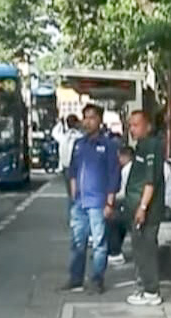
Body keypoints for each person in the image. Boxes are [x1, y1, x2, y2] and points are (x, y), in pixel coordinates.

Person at [63, 104, 119, 294]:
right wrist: (73, 197)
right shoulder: (79, 144)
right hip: (80, 202)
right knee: (77, 242)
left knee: (99, 243)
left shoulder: (109, 145)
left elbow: (113, 175)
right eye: (85, 117)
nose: (88, 121)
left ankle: (97, 280)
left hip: (98, 202)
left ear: (100, 120)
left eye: (92, 117)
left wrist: (109, 202)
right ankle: (75, 279)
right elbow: (72, 172)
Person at [126, 110, 166, 306]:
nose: (132, 129)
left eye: (136, 125)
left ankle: (151, 291)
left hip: (147, 211)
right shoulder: (142, 146)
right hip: (137, 208)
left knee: (145, 249)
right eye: (130, 125)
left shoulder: (152, 146)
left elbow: (150, 181)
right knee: (139, 248)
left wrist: (142, 207)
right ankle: (145, 286)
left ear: (147, 126)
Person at [107, 145, 133, 266]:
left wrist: (109, 199)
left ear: (124, 157)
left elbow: (125, 194)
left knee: (113, 218)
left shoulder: (128, 169)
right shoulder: (131, 168)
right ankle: (113, 249)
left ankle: (114, 252)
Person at [52, 114, 83, 200]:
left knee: (70, 194)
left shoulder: (63, 137)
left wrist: (60, 123)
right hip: (79, 168)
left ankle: (72, 208)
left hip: (66, 168)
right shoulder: (81, 137)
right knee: (79, 192)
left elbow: (54, 133)